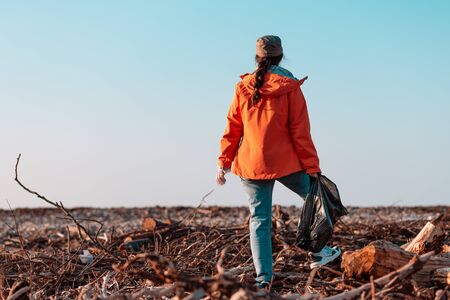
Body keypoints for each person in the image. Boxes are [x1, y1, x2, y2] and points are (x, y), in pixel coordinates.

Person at [216, 35, 341, 288]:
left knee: (259, 220)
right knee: (318, 199)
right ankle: (318, 252)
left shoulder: (243, 87)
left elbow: (233, 127)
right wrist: (313, 168)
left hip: (251, 164)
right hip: (286, 163)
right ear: (280, 56)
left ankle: (264, 281)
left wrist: (223, 162)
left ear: (257, 57)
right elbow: (300, 132)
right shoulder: (290, 86)